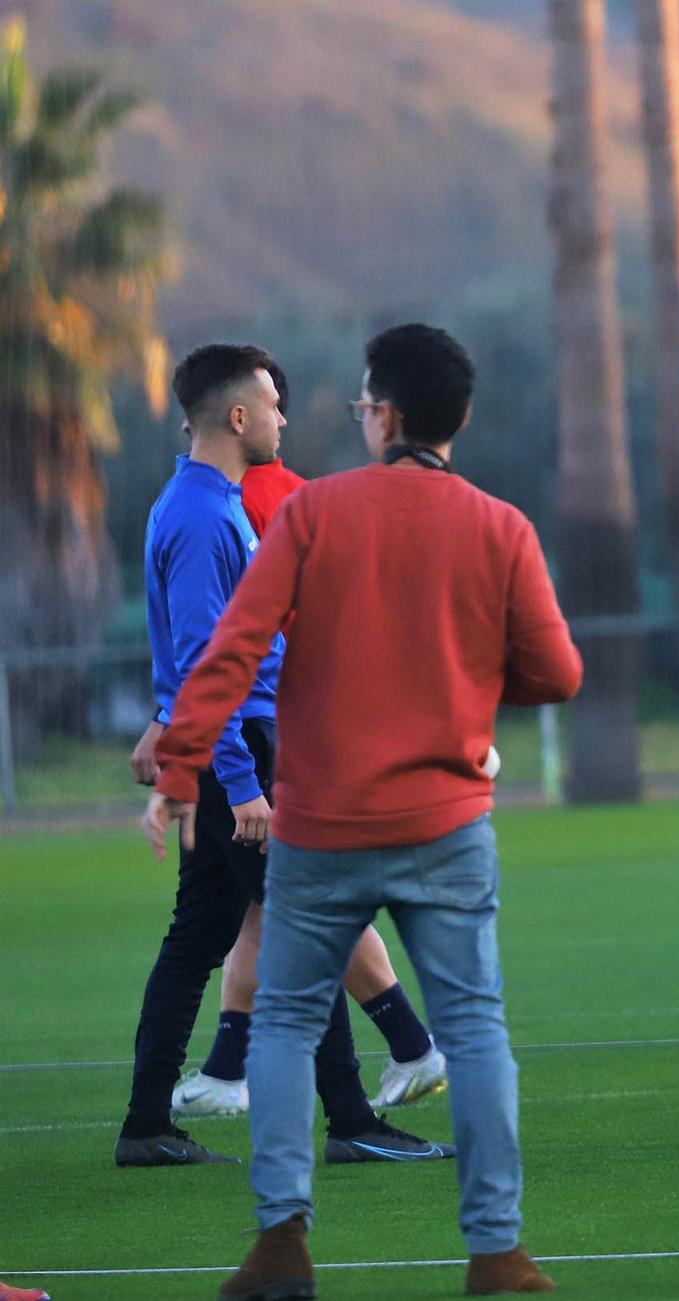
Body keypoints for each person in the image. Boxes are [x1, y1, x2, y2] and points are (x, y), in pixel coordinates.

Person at [145, 323, 580, 1297]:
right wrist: (470, 671)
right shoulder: (498, 524)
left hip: (320, 826)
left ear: (381, 413)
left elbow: (229, 649)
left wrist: (181, 771)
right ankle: (497, 1251)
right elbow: (558, 671)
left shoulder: (311, 515)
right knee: (473, 1033)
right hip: (447, 821)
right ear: (456, 418)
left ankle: (282, 1244)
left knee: (285, 1029)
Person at [117, 343, 451, 1172]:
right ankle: (351, 1121)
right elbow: (207, 661)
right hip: (243, 754)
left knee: (198, 937)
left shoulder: (198, 500)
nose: (282, 418)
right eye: (271, 404)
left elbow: (192, 663)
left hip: (227, 746)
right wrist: (239, 783)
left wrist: (169, 723)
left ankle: (146, 1124)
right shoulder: (201, 516)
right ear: (237, 417)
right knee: (312, 919)